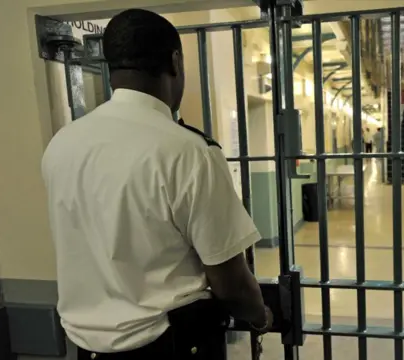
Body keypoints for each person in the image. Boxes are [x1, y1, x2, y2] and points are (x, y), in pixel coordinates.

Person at [41, 9, 272, 360]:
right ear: (176, 62)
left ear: (111, 65)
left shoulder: (62, 144)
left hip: (85, 347)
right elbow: (231, 282)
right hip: (170, 345)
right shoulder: (189, 152)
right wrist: (261, 316)